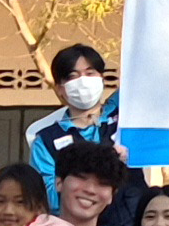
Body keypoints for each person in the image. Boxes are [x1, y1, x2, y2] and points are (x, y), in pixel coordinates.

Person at [26, 41, 120, 185]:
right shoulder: (46, 141)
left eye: (90, 73)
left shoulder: (123, 115)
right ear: (59, 89)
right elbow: (46, 194)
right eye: (73, 76)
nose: (83, 81)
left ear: (101, 79)